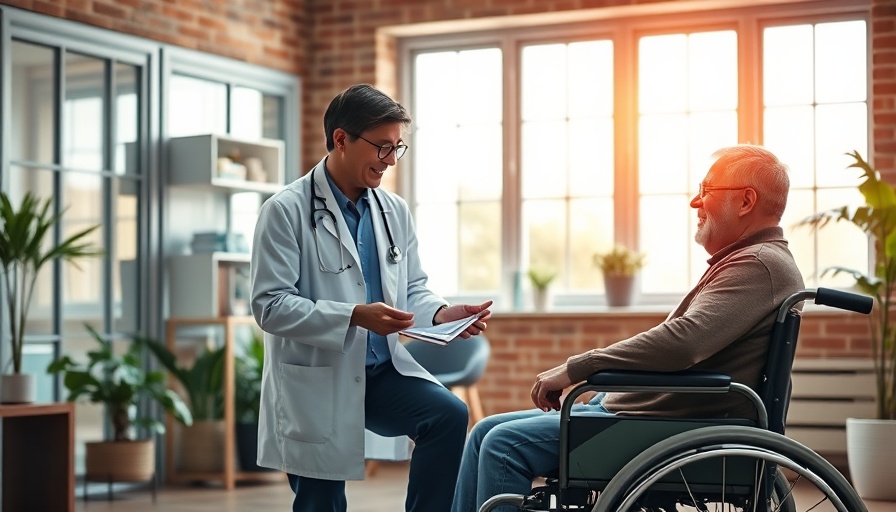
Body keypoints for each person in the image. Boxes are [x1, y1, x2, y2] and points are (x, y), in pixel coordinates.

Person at [450, 144, 805, 512]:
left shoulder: (758, 265)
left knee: (503, 446)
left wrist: (580, 366)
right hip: (646, 418)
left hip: (665, 429)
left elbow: (683, 343)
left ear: (746, 201)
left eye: (707, 191)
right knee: (482, 434)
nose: (695, 203)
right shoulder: (752, 261)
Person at [250, 83, 492, 512]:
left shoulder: (392, 209)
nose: (389, 161)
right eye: (382, 147)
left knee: (447, 416)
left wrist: (439, 313)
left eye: (397, 149)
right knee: (320, 501)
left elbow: (412, 287)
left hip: (381, 374)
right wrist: (355, 316)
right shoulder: (285, 210)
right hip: (318, 379)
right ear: (341, 139)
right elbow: (270, 305)